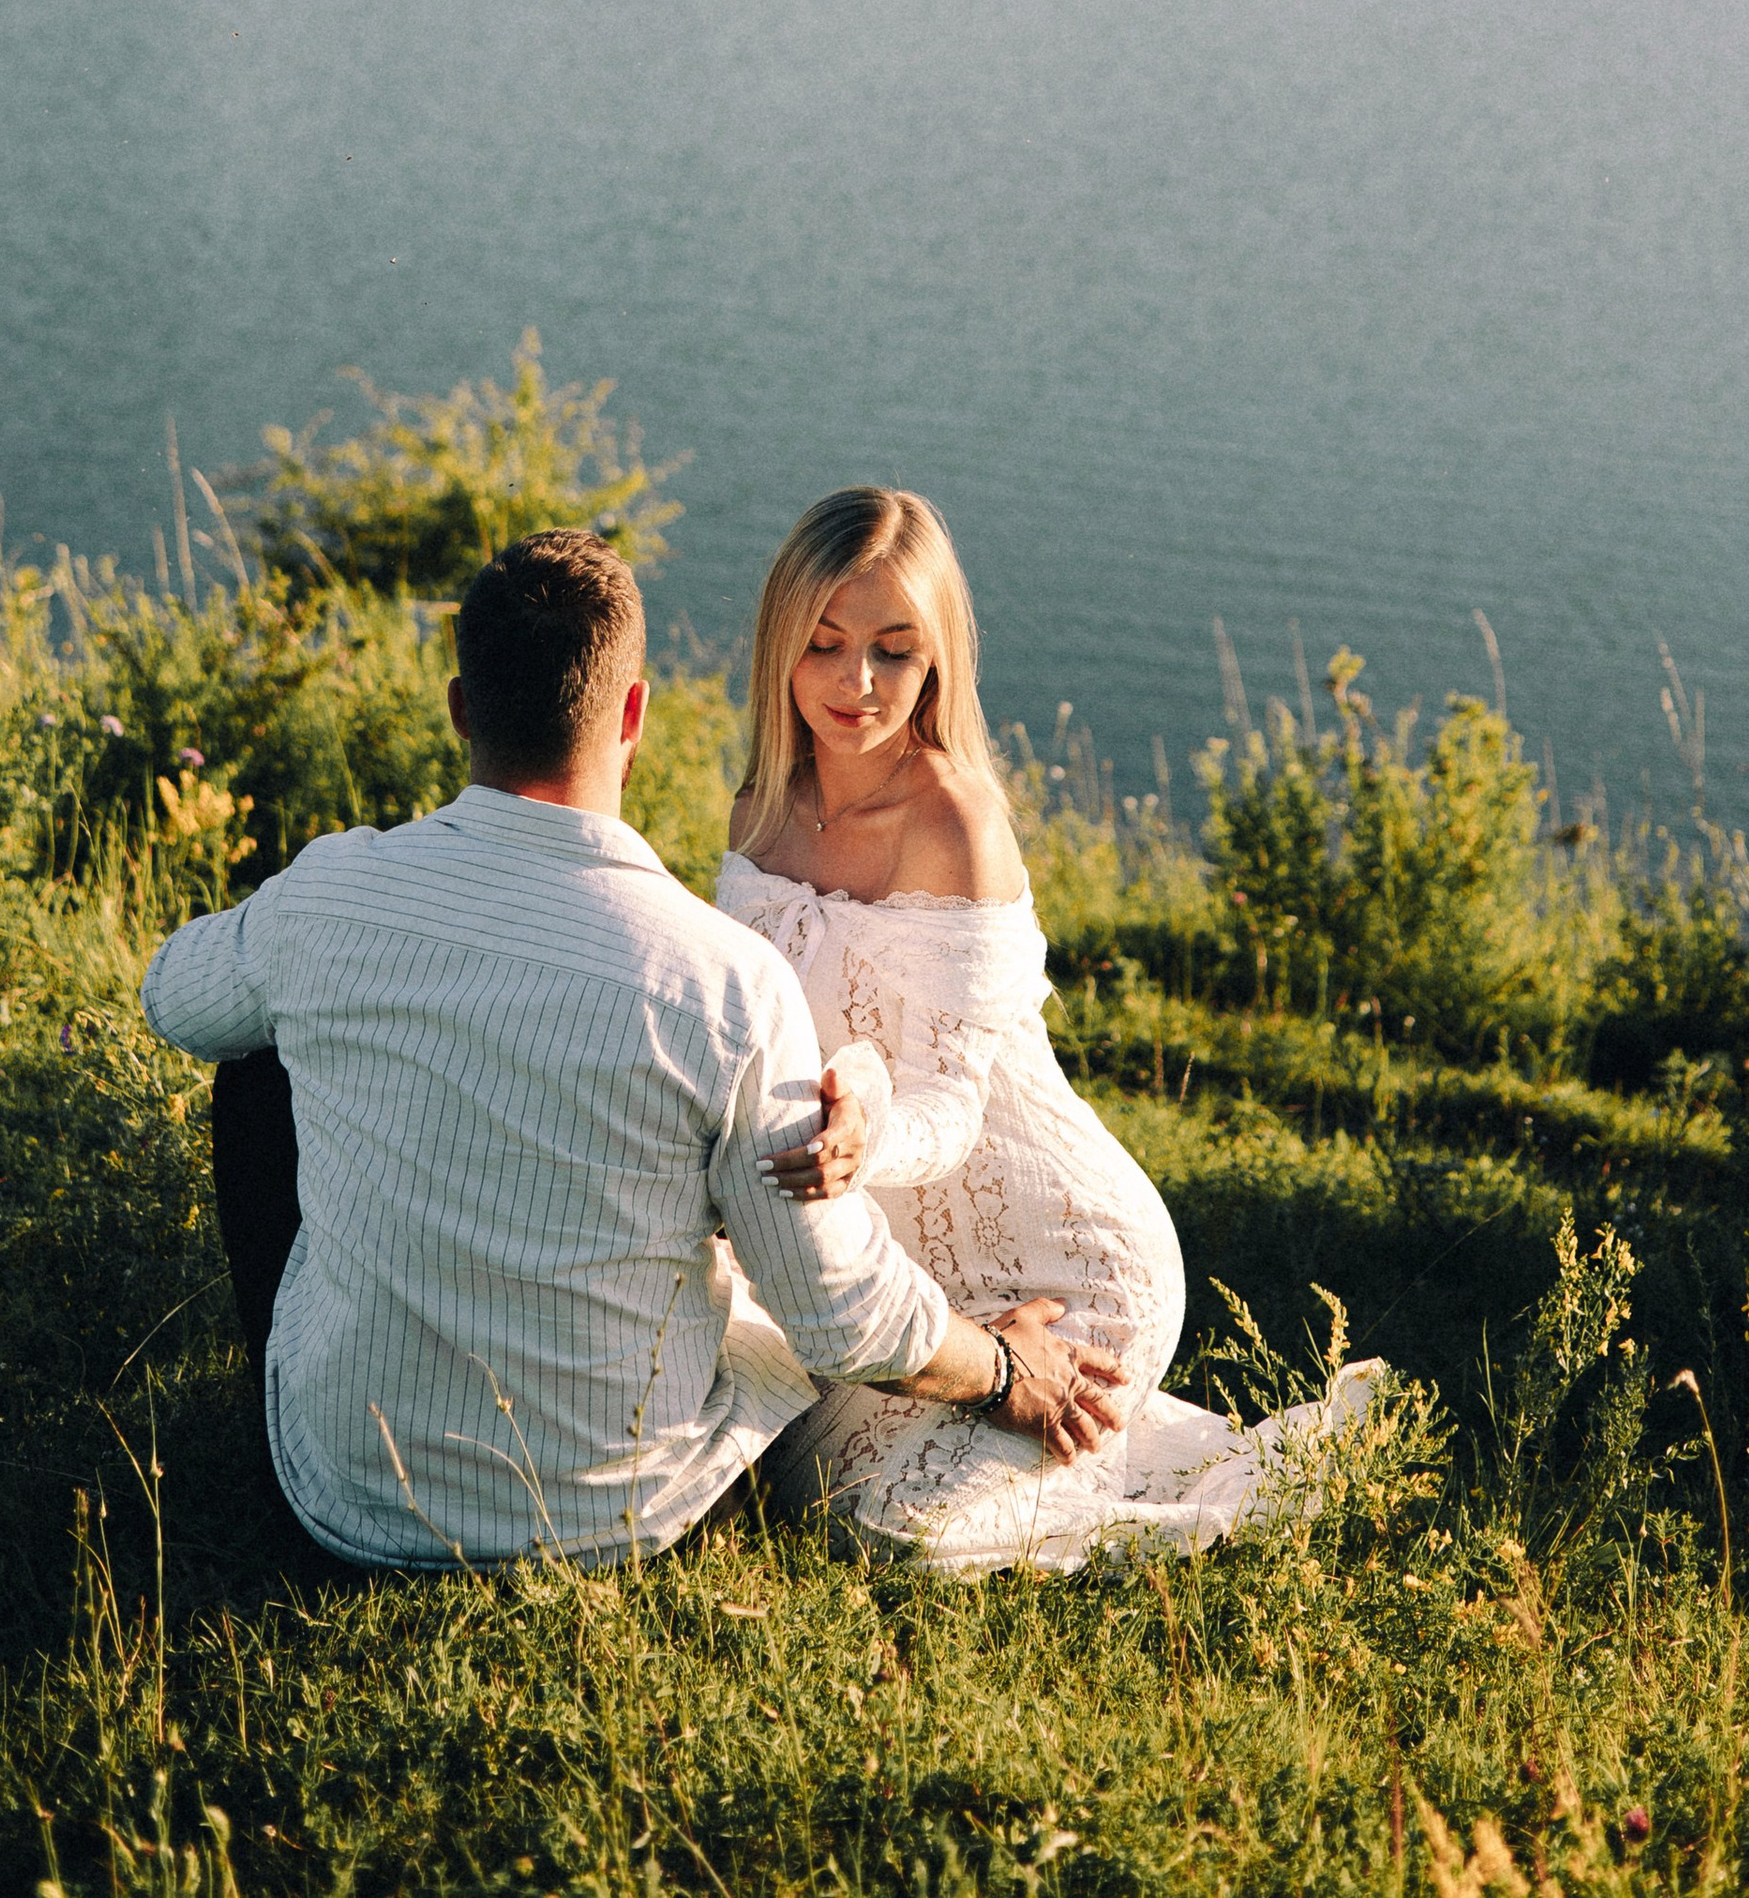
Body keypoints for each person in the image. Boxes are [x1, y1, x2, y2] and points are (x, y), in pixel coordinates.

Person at [141, 527, 1128, 1568]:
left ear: (460, 709)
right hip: (604, 1519)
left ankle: (339, 1384)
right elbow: (842, 1322)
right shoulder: (725, 983)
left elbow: (174, 998)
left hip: (342, 1493)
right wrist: (1011, 1372)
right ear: (633, 715)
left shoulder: (329, 893)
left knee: (254, 1068)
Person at [718, 488, 1380, 1570]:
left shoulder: (953, 824)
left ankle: (1234, 1525)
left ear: (938, 659)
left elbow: (952, 1108)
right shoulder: (759, 803)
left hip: (1055, 1253)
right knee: (793, 1487)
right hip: (889, 1259)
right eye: (826, 646)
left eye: (896, 650)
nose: (858, 684)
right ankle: (1165, 1453)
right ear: (781, 647)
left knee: (886, 1532)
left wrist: (858, 1140)